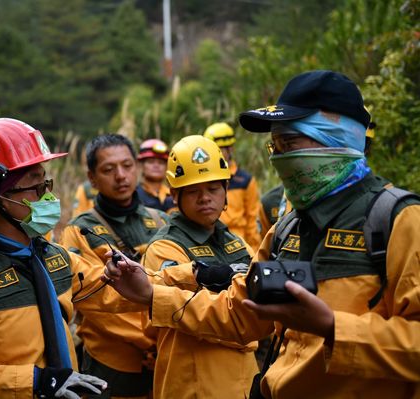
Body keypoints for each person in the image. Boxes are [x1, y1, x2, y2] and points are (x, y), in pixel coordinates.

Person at [103, 70, 420, 398]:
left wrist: (332, 328)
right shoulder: (288, 228)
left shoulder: (398, 220)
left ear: (336, 138)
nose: (279, 158)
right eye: (276, 145)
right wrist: (151, 295)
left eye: (290, 143)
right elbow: (239, 312)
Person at [0, 118, 128, 398]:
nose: (49, 197)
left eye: (47, 183)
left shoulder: (53, 258)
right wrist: (36, 382)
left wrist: (190, 276)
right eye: (37, 187)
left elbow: (113, 289)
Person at [142, 135, 258, 398]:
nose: (205, 198)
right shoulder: (165, 247)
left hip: (245, 379)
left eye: (213, 188)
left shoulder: (236, 243)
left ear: (226, 189)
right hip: (194, 382)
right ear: (174, 195)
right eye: (193, 191)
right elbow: (186, 309)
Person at [59, 134, 168, 399]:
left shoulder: (162, 221)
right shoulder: (80, 230)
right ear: (92, 178)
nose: (121, 176)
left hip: (162, 359)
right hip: (112, 366)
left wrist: (161, 345)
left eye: (128, 166)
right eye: (109, 169)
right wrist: (147, 342)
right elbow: (94, 300)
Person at [258, 114, 376, 238]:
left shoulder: (386, 211)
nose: (277, 156)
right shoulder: (285, 219)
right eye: (278, 146)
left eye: (288, 144)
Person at [203, 122, 262, 251]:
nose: (213, 154)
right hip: (208, 243)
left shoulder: (245, 180)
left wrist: (255, 254)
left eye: (218, 149)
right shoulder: (202, 179)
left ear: (230, 149)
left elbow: (252, 219)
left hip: (239, 244)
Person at [135, 139, 175, 213]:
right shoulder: (133, 195)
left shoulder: (174, 196)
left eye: (161, 163)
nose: (156, 166)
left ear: (167, 167)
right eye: (151, 162)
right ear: (141, 165)